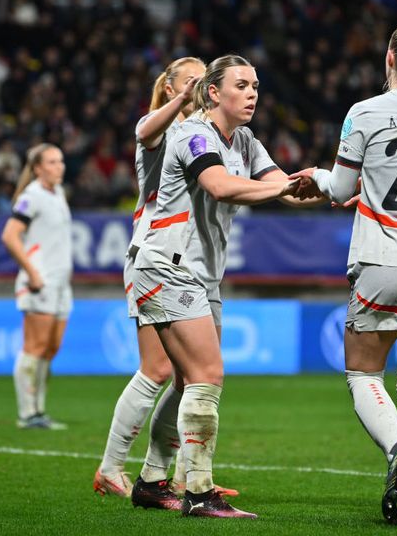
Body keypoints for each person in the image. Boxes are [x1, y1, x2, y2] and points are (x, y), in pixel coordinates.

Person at [292, 20, 397, 525]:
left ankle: (395, 452)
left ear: (390, 58)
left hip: (385, 259)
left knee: (363, 374)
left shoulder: (364, 112)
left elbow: (340, 184)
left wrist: (316, 178)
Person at [133, 54, 316, 519]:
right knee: (207, 376)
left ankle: (153, 481)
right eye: (241, 85)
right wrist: (284, 189)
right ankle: (197, 492)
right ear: (214, 92)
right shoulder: (192, 133)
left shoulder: (247, 141)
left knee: (185, 381)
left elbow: (283, 186)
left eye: (256, 84)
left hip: (202, 274)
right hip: (168, 266)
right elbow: (219, 186)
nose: (252, 92)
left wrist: (332, 187)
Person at [94, 56, 240, 506]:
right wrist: (182, 97)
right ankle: (111, 467)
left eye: (203, 81)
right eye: (189, 81)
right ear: (172, 88)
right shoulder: (163, 134)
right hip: (156, 256)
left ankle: (170, 475)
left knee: (190, 377)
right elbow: (143, 131)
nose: (198, 87)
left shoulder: (207, 136)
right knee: (158, 369)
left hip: (195, 263)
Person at [1, 143, 71, 430]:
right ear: (38, 167)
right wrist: (32, 272)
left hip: (61, 283)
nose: (59, 166)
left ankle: (39, 409)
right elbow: (10, 235)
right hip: (40, 281)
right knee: (35, 346)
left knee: (50, 348)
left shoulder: (58, 194)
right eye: (52, 162)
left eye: (61, 161)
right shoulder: (32, 196)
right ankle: (27, 413)